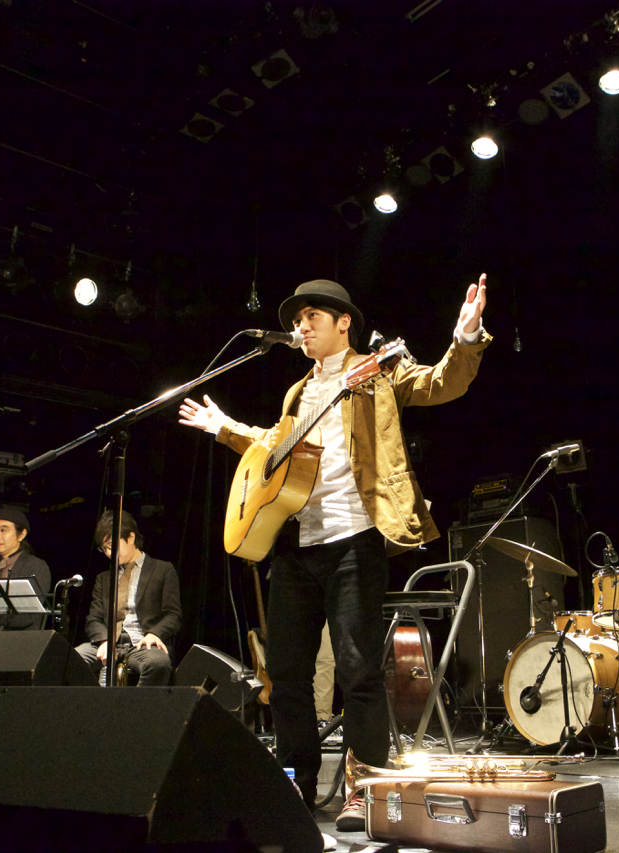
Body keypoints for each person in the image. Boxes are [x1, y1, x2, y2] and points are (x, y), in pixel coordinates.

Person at [178, 275, 489, 831]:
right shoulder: (297, 393)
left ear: (344, 323)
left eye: (311, 318)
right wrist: (224, 427)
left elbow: (442, 383)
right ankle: (295, 782)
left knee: (357, 669)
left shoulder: (378, 371)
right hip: (297, 546)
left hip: (354, 540)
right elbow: (276, 447)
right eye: (297, 322)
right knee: (286, 674)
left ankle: (363, 790)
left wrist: (465, 336)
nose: (301, 328)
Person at [75, 510, 181, 686]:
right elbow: (93, 619)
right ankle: (95, 702)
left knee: (158, 664)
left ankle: (136, 703)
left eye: (111, 545)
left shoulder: (162, 570)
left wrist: (154, 633)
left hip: (142, 643)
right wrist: (105, 640)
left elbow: (173, 615)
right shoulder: (104, 578)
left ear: (131, 538)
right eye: (104, 548)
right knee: (69, 660)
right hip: (110, 642)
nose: (109, 553)